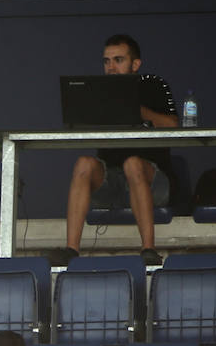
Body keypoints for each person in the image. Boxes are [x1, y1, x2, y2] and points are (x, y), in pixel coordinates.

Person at [46, 34, 177, 268]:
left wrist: (136, 110)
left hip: (152, 182)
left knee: (133, 164)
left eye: (118, 60)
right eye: (106, 61)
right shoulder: (98, 91)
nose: (111, 67)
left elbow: (174, 126)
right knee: (84, 163)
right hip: (113, 182)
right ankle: (71, 250)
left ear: (135, 64)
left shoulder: (154, 85)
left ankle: (149, 250)